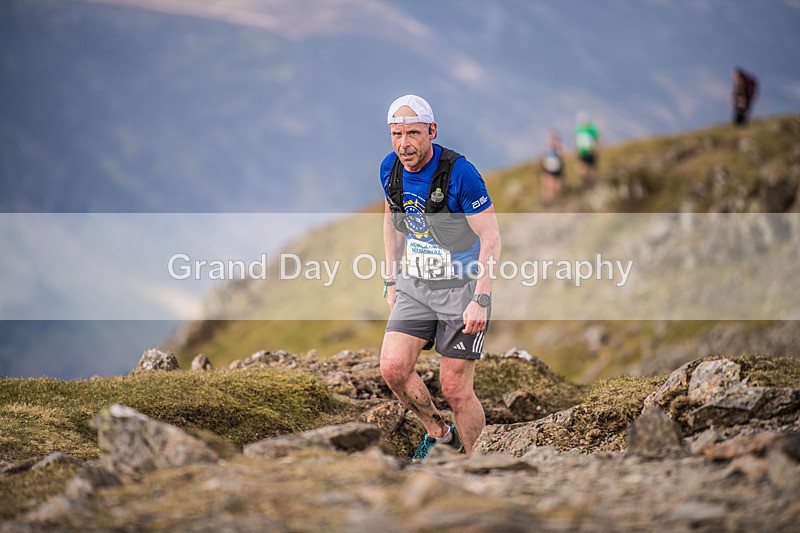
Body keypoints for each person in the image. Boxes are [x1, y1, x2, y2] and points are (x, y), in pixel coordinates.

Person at [379, 94, 501, 460]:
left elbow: (491, 237)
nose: (405, 144)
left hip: (461, 290)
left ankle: (478, 464)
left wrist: (481, 298)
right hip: (415, 285)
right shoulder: (390, 168)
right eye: (397, 134)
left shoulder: (460, 173)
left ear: (431, 131)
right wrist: (390, 278)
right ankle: (439, 434)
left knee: (455, 390)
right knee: (393, 368)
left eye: (413, 133)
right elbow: (392, 220)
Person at [574, 112, 600, 188]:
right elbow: (576, 140)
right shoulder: (578, 129)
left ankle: (595, 184)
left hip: (591, 152)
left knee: (593, 169)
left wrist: (597, 150)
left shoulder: (591, 129)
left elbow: (597, 139)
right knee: (581, 169)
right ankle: (586, 184)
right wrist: (576, 150)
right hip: (582, 153)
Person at [540, 129, 566, 205]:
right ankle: (547, 201)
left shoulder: (559, 148)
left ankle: (557, 200)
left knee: (557, 186)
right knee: (547, 186)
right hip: (547, 169)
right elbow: (541, 157)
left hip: (557, 169)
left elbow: (565, 155)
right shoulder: (546, 148)